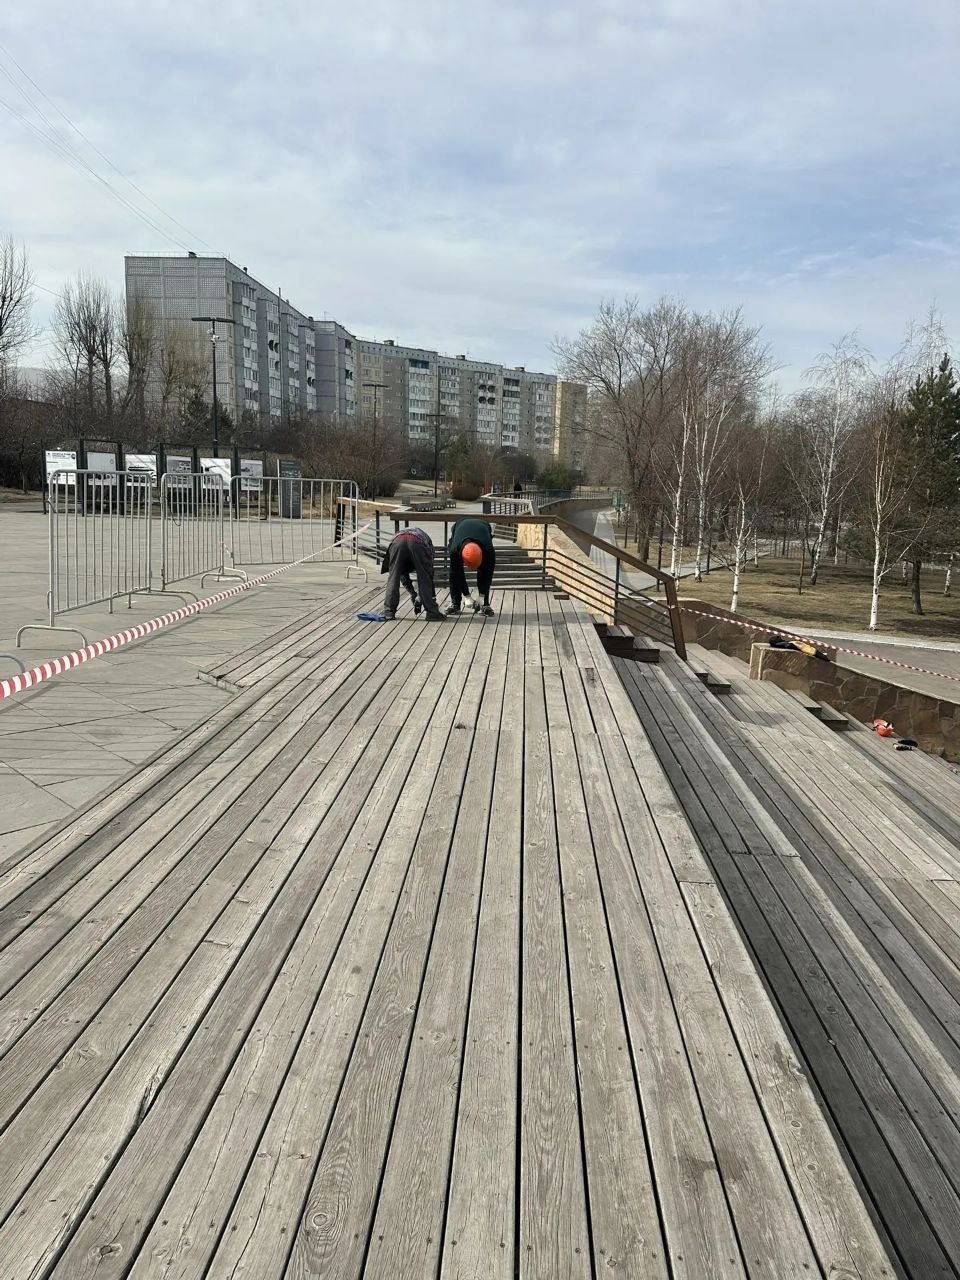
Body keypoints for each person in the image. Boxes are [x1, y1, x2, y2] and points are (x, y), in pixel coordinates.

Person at [381, 526, 445, 620]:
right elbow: (428, 574)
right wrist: (415, 594)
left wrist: (414, 594)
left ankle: (389, 612)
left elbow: (402, 575)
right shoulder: (426, 542)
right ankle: (432, 613)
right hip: (417, 542)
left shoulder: (404, 559)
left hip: (397, 542)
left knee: (393, 578)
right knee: (424, 577)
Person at [447, 517, 496, 616]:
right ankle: (455, 603)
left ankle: (485, 604)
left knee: (484, 571)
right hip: (460, 525)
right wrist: (467, 595)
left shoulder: (488, 550)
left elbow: (488, 574)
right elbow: (457, 573)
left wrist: (482, 595)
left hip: (483, 526)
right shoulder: (455, 550)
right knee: (454, 571)